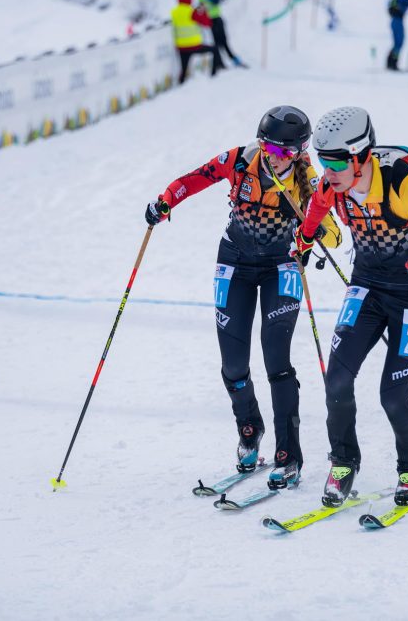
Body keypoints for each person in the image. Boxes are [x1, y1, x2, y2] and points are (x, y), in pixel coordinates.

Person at [292, 107, 408, 507]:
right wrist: (305, 240)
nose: (327, 171)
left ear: (361, 155)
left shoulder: (403, 183)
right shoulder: (331, 185)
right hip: (366, 286)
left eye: (337, 161)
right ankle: (343, 462)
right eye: (322, 160)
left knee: (392, 395)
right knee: (337, 381)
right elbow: (315, 209)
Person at [144, 106, 341, 490]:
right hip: (233, 258)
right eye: (268, 146)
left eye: (284, 152)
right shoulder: (241, 160)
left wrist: (315, 231)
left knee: (276, 359)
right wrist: (165, 201)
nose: (273, 156)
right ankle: (249, 429)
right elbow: (194, 179)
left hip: (281, 265)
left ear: (301, 152)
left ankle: (289, 453)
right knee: (233, 364)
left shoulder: (309, 182)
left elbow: (333, 234)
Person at [198, 0, 246, 68]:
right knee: (220, 41)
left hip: (215, 17)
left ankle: (224, 62)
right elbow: (214, 0)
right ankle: (222, 63)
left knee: (221, 41)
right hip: (212, 18)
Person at [171, 0, 223, 84]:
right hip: (194, 46)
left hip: (180, 47)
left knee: (184, 68)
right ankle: (214, 74)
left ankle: (181, 83)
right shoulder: (191, 11)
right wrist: (203, 11)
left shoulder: (174, 12)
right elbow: (207, 23)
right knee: (215, 49)